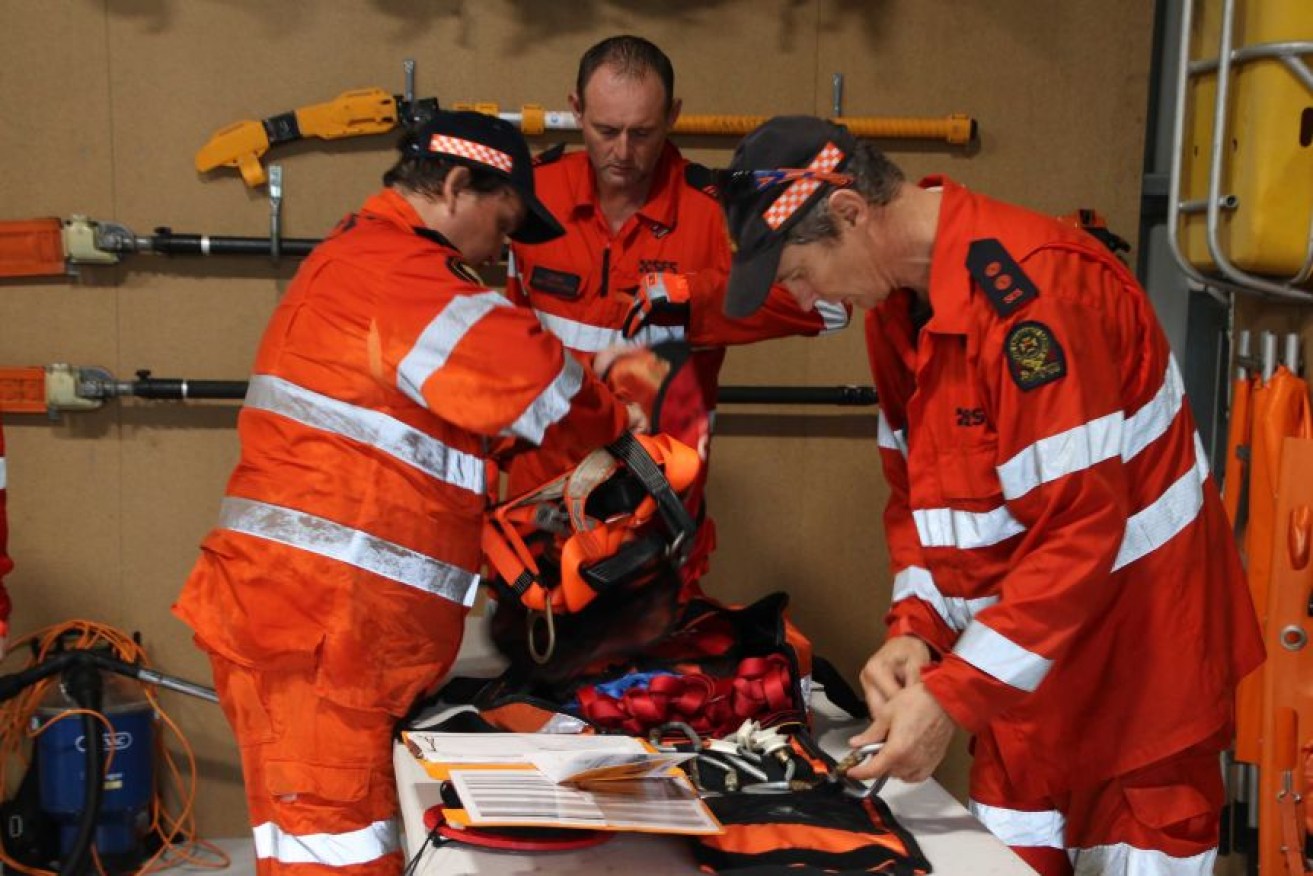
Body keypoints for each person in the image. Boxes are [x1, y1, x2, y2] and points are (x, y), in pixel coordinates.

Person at [718, 114, 1264, 876]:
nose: (806, 302)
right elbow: (919, 502)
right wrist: (915, 627)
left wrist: (953, 696)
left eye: (797, 275)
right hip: (1018, 694)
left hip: (1137, 693)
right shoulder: (898, 313)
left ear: (848, 213)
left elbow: (1080, 528)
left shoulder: (1036, 295)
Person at [173, 110, 641, 876]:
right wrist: (621, 417)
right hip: (320, 637)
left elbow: (431, 444)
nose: (505, 247)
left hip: (314, 630)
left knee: (320, 846)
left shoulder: (361, 265)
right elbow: (540, 389)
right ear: (458, 185)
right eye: (506, 220)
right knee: (335, 859)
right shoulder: (402, 275)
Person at [506, 35, 849, 593]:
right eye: (605, 130)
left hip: (652, 510)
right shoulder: (531, 197)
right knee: (526, 673)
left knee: (649, 682)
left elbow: (832, 305)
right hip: (535, 504)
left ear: (673, 116)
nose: (622, 150)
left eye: (641, 133)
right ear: (575, 109)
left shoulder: (717, 212)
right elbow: (508, 339)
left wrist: (698, 298)